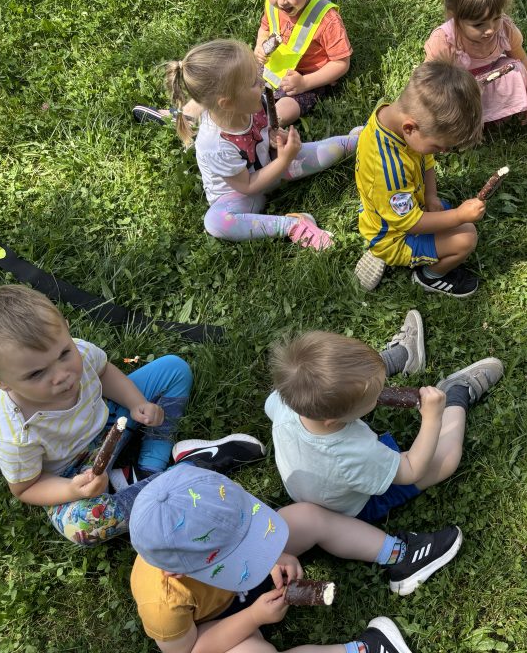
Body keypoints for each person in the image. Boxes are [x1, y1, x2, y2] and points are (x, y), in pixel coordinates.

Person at [0, 284, 263, 546]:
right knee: (86, 527)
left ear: (67, 329)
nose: (63, 375)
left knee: (174, 369)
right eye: (36, 373)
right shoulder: (11, 434)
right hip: (71, 472)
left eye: (64, 353)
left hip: (110, 422)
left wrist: (136, 403)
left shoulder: (79, 351)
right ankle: (193, 470)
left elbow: (104, 372)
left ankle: (149, 468)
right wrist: (71, 488)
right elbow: (27, 488)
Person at [130, 464, 461, 653]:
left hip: (245, 581)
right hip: (219, 622)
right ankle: (364, 649)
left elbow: (244, 530)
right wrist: (253, 617)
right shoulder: (162, 602)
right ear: (174, 572)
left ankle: (400, 555)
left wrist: (272, 552)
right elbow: (192, 650)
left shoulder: (206, 500)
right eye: (239, 550)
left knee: (307, 517)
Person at [265, 322, 503, 523]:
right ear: (332, 420)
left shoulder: (285, 399)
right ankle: (455, 394)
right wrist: (432, 419)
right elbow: (412, 469)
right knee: (446, 460)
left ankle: (402, 358)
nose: (381, 393)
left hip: (318, 488)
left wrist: (365, 391)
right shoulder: (354, 454)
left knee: (350, 380)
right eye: (375, 396)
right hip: (354, 507)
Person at [134, 0, 351, 129]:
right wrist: (260, 46)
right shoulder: (274, 4)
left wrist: (305, 83)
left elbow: (341, 63)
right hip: (272, 66)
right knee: (231, 76)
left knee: (288, 107)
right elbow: (265, 27)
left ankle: (258, 125)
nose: (281, 1)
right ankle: (186, 115)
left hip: (304, 78)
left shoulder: (326, 19)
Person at [167, 39, 358, 245]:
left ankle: (357, 140)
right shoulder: (215, 145)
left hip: (274, 166)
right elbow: (247, 186)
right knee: (215, 222)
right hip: (243, 197)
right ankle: (293, 226)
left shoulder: (255, 104)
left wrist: (276, 137)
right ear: (227, 103)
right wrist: (284, 161)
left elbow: (266, 130)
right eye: (253, 82)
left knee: (321, 150)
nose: (262, 81)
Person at [352, 60, 485, 296]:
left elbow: (426, 159)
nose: (443, 152)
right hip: (395, 236)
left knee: (455, 221)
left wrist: (431, 195)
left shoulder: (391, 116)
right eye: (439, 146)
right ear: (410, 128)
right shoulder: (388, 170)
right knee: (466, 237)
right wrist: (458, 215)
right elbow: (411, 223)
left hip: (401, 209)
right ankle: (429, 276)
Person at [423, 0, 527, 125]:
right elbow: (428, 80)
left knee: (517, 69)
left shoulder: (504, 29)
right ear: (454, 17)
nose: (490, 30)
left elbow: (521, 58)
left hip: (490, 79)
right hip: (459, 89)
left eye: (496, 18)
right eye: (478, 25)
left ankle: (492, 115)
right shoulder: (445, 40)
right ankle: (468, 122)